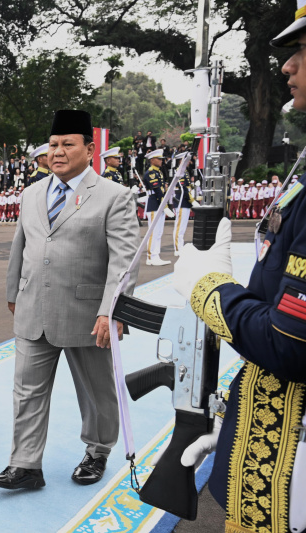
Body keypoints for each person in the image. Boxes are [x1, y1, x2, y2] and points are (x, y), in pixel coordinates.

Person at [167, 16, 306, 533]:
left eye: (303, 51)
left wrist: (209, 288)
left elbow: (289, 344)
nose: (288, 65)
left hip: (288, 461)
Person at [0, 110, 138, 489]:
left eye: (66, 144)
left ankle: (97, 450)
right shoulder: (32, 193)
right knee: (26, 390)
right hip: (33, 307)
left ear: (89, 149)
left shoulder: (114, 196)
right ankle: (25, 465)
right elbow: (20, 248)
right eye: (53, 145)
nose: (57, 152)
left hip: (88, 313)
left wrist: (111, 311)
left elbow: (124, 263)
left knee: (96, 390)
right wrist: (13, 294)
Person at [142, 148, 170, 266]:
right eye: (159, 159)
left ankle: (156, 255)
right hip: (154, 203)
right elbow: (157, 190)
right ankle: (151, 257)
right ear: (152, 160)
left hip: (159, 203)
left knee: (159, 232)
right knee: (153, 231)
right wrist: (165, 205)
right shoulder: (151, 173)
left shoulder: (158, 172)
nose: (161, 161)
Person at [172, 151, 194, 256]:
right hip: (181, 200)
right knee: (179, 226)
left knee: (183, 226)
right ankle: (177, 248)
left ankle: (180, 245)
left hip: (185, 201)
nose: (189, 162)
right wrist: (192, 200)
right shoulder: (179, 171)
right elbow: (183, 188)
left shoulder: (185, 171)